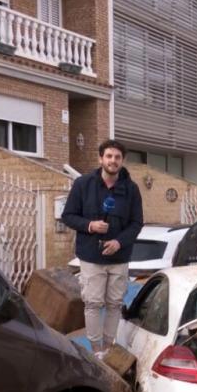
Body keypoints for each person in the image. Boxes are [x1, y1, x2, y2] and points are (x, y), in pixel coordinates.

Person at [62, 139, 143, 358]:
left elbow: (137, 223)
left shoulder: (131, 189)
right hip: (91, 256)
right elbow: (68, 216)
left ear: (122, 161)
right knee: (93, 303)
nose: (113, 161)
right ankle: (96, 350)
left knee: (115, 304)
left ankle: (109, 348)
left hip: (119, 257)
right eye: (109, 156)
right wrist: (90, 225)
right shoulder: (83, 185)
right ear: (101, 159)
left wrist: (119, 242)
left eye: (117, 157)